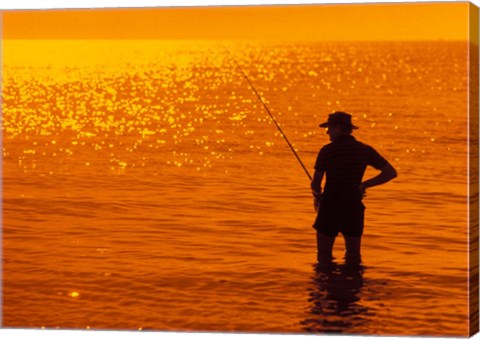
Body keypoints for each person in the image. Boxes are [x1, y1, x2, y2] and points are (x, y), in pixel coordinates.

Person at [311, 111, 397, 265]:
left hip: (331, 207)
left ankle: (326, 286)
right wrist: (364, 185)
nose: (327, 132)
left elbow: (315, 183)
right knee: (353, 256)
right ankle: (353, 286)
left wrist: (317, 195)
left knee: (324, 257)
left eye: (329, 127)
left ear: (338, 127)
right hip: (354, 208)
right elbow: (390, 172)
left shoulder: (327, 151)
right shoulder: (364, 150)